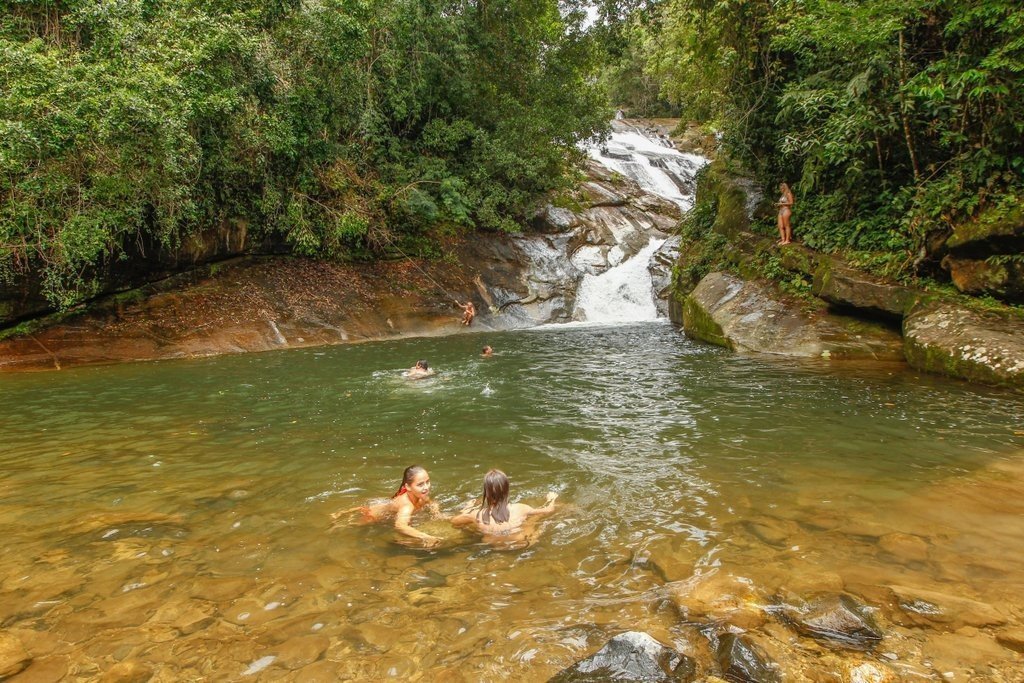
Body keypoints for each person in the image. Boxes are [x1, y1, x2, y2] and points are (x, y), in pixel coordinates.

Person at [330, 465, 442, 546]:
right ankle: (339, 520)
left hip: (379, 508)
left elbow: (432, 503)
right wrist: (426, 537)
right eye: (420, 484)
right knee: (354, 526)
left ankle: (347, 512)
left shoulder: (422, 495)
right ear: (408, 487)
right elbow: (400, 526)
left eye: (428, 482)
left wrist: (436, 513)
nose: (426, 487)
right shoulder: (407, 506)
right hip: (373, 516)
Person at [450, 469, 558, 543]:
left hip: (494, 546)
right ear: (507, 490)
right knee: (534, 518)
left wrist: (467, 508)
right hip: (524, 543)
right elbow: (549, 510)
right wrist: (551, 498)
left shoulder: (477, 515)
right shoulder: (520, 508)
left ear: (486, 493)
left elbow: (454, 522)